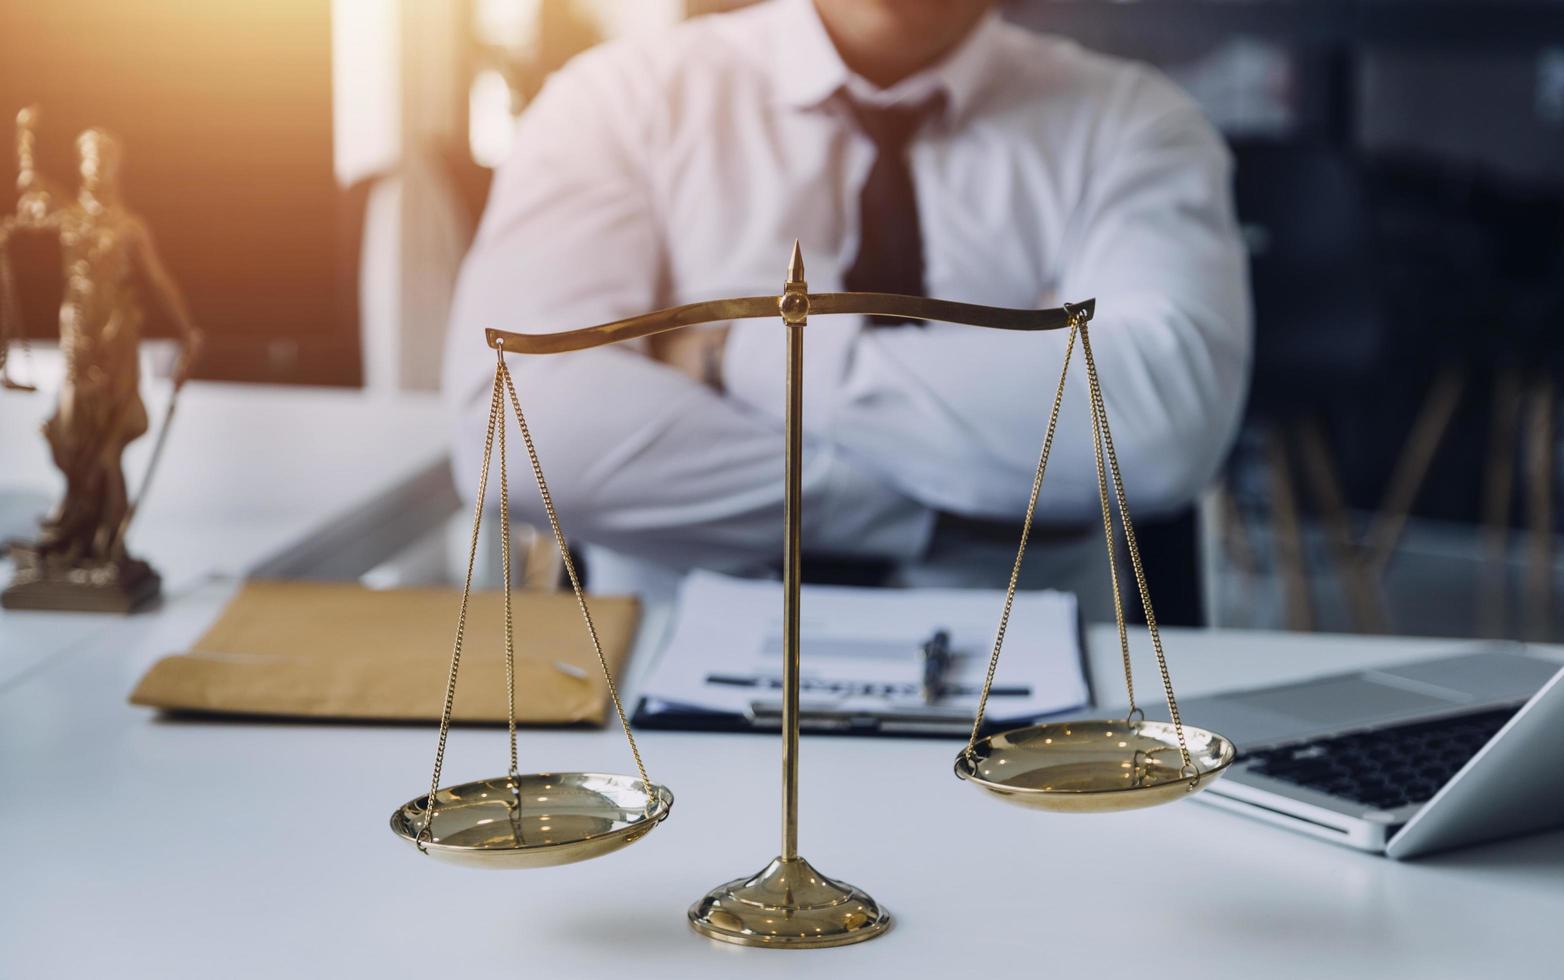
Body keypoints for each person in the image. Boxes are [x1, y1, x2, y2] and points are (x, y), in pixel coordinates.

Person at [443, 0, 1250, 607]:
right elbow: (516, 431)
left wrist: (735, 354)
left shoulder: (1135, 123)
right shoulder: (624, 99)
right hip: (661, 686)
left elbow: (1154, 434)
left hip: (1028, 701)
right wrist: (946, 501)